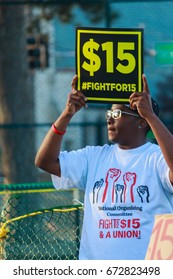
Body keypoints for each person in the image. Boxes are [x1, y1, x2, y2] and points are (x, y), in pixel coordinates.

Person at [35, 74, 173, 260]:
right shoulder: (94, 156)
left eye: (117, 114)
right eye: (109, 114)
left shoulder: (156, 158)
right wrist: (67, 113)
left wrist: (150, 115)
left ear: (141, 122)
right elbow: (45, 161)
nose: (109, 119)